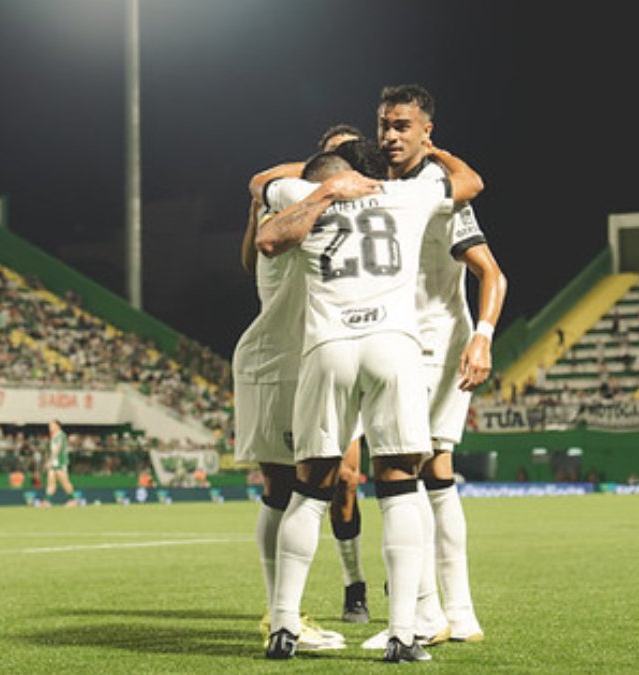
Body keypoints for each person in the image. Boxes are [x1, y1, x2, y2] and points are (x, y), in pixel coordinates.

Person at [252, 138, 483, 662]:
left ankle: (283, 625)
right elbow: (471, 182)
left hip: (328, 347)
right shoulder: (407, 193)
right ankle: (403, 633)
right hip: (394, 348)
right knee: (400, 485)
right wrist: (436, 149)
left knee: (310, 489)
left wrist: (327, 191)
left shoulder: (306, 191)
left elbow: (265, 226)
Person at [361, 83, 504, 648]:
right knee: (436, 475)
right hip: (401, 342)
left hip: (436, 345)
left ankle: (425, 614)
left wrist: (483, 338)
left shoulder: (437, 192)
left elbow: (492, 273)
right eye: (384, 125)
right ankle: (459, 613)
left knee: (403, 469)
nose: (390, 136)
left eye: (402, 126)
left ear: (427, 132)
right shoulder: (386, 188)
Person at [236, 125, 370, 653]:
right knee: (295, 489)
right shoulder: (300, 203)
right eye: (343, 158)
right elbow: (265, 195)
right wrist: (328, 182)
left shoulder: (301, 207)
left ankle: (288, 612)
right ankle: (283, 618)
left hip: (285, 360)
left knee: (286, 489)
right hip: (292, 361)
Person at [44, 419, 78, 506]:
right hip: (54, 463)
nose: (50, 427)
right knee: (50, 482)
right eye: (49, 425)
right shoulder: (53, 436)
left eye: (52, 425)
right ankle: (46, 501)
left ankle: (73, 500)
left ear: (57, 426)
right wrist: (49, 461)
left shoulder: (61, 435)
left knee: (65, 482)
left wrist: (50, 461)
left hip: (60, 462)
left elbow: (58, 449)